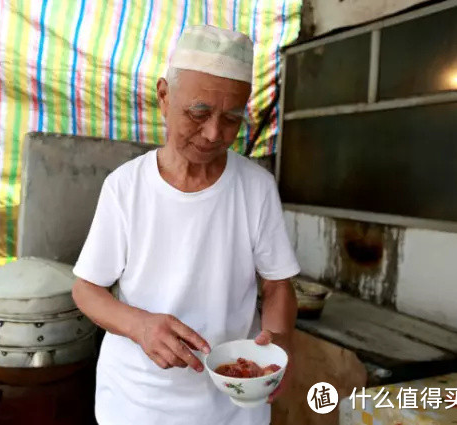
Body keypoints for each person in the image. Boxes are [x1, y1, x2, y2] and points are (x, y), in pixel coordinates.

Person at [72, 25, 300, 425]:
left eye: (231, 119)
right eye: (199, 114)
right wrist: (140, 325)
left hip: (231, 404)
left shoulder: (257, 188)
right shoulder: (125, 187)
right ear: (164, 96)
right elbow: (87, 288)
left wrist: (277, 349)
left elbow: (278, 284)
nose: (214, 133)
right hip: (137, 403)